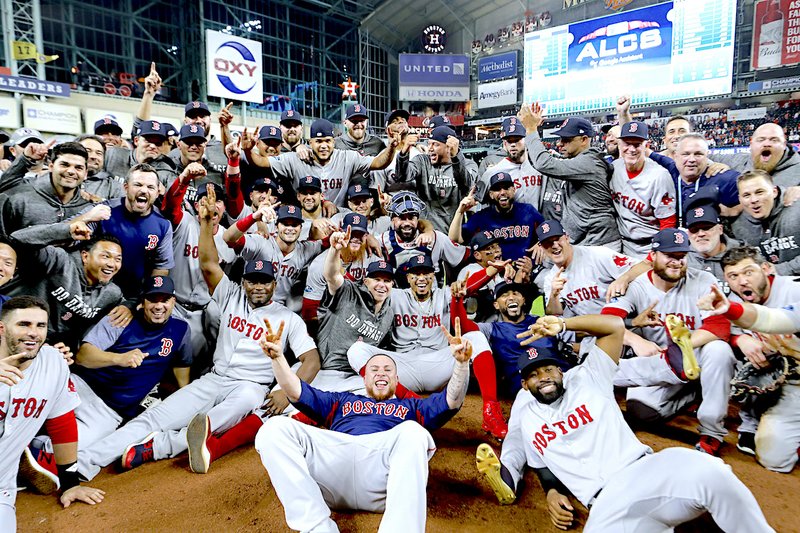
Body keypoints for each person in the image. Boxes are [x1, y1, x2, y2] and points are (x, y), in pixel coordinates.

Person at [75, 188, 319, 479]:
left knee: (208, 423)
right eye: (252, 280)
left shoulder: (287, 318)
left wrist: (285, 391)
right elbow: (208, 263)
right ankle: (82, 464)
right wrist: (205, 224)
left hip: (250, 387)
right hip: (214, 378)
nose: (258, 287)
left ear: (273, 284)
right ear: (243, 282)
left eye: (264, 282)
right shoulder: (231, 295)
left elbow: (312, 360)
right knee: (155, 416)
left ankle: (161, 446)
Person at [475, 313, 774, 532]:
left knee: (713, 473)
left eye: (549, 369)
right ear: (525, 385)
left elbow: (615, 327)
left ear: (561, 371)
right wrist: (553, 493)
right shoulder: (526, 416)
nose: (544, 378)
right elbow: (541, 464)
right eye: (535, 375)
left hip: (647, 470)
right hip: (607, 505)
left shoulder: (588, 377)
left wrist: (564, 323)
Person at [254, 314, 472, 533]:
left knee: (415, 432)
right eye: (374, 370)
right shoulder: (342, 400)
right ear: (364, 379)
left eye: (388, 370)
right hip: (334, 468)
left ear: (397, 381)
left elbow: (450, 401)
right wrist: (278, 359)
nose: (381, 373)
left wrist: (461, 366)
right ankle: (317, 528)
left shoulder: (412, 408)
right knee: (273, 430)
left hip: (382, 476)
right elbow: (296, 391)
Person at [601, 228, 736, 455]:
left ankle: (711, 432)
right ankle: (694, 394)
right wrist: (635, 340)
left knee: (719, 350)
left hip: (697, 356)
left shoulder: (704, 281)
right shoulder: (635, 287)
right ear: (653, 256)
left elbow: (720, 327)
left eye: (681, 256)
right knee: (642, 412)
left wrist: (681, 345)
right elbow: (606, 323)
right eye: (669, 255)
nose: (677, 262)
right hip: (658, 364)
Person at [347, 254, 506, 438]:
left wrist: (492, 270)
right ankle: (415, 404)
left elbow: (468, 285)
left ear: (433, 276)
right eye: (415, 274)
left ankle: (491, 411)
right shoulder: (395, 295)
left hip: (439, 363)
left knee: (476, 337)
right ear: (408, 278)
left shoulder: (445, 294)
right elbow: (367, 288)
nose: (421, 278)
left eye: (426, 273)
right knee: (356, 350)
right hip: (403, 368)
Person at [0, 296, 105, 531]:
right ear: (2, 328)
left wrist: (70, 483)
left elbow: (62, 422)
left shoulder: (53, 363)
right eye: (24, 324)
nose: (34, 333)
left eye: (41, 326)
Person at [71, 275, 191, 448]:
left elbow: (182, 366)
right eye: (152, 299)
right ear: (143, 301)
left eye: (165, 300)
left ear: (173, 301)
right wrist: (119, 358)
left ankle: (36, 449)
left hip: (110, 411)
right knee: (38, 408)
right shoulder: (122, 318)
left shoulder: (181, 329)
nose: (158, 306)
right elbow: (83, 356)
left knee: (71, 448)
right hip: (82, 386)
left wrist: (185, 400)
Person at [718, 246, 800, 471]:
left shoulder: (794, 291)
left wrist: (732, 311)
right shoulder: (735, 299)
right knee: (774, 459)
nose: (742, 281)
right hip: (794, 386)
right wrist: (740, 340)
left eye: (748, 272)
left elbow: (772, 318)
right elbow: (733, 328)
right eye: (733, 276)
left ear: (766, 268)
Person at [7, 224, 127, 351]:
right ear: (85, 256)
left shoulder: (112, 293)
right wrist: (66, 231)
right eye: (105, 256)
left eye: (118, 259)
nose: (112, 264)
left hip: (46, 348)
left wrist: (128, 306)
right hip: (11, 329)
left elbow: (137, 304)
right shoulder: (60, 261)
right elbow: (16, 239)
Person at [517, 102, 620, 248]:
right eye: (560, 139)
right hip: (587, 241)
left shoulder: (588, 162)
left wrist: (531, 129)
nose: (560, 144)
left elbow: (544, 163)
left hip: (601, 245)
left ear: (584, 140)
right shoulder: (580, 160)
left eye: (566, 140)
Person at [247, 118, 399, 206]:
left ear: (334, 141)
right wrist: (248, 151)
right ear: (310, 142)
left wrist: (392, 146)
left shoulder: (347, 157)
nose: (324, 145)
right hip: (306, 219)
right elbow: (260, 162)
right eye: (318, 141)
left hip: (337, 215)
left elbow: (379, 163)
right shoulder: (295, 159)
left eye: (327, 141)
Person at [223, 204, 326, 312]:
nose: (290, 229)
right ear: (277, 226)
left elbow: (330, 243)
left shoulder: (306, 249)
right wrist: (253, 218)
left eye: (294, 225)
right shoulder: (261, 242)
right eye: (285, 224)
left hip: (279, 313)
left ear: (301, 228)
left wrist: (319, 226)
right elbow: (228, 238)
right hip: (249, 308)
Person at [536, 219, 648, 317]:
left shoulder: (597, 255)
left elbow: (645, 266)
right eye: (548, 243)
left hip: (623, 320)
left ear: (567, 238)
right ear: (541, 248)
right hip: (592, 330)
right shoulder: (551, 279)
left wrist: (624, 278)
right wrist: (554, 295)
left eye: (557, 239)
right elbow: (554, 315)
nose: (555, 245)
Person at [609, 121, 677, 257]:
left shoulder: (659, 176)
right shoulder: (614, 168)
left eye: (637, 144)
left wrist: (658, 253)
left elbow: (668, 222)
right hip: (621, 243)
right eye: (627, 144)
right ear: (620, 144)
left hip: (649, 245)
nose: (632, 149)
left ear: (646, 145)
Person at [0, 141, 93, 238]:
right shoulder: (24, 192)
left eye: (78, 168)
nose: (71, 171)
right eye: (64, 165)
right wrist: (25, 159)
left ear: (85, 174)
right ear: (51, 167)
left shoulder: (88, 207)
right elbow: (4, 186)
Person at [475, 117, 561, 220]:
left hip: (540, 225)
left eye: (517, 140)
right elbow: (479, 198)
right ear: (504, 143)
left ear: (526, 139)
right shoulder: (493, 172)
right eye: (509, 141)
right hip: (511, 228)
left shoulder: (540, 164)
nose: (513, 145)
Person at [395, 125, 474, 233]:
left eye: (435, 144)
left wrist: (455, 157)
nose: (430, 148)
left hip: (453, 231)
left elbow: (466, 184)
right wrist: (404, 153)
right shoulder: (422, 161)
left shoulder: (468, 164)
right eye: (429, 144)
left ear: (449, 147)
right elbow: (403, 177)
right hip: (425, 231)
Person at [450, 171, 543, 261]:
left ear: (514, 190)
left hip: (526, 269)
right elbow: (455, 239)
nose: (502, 192)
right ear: (491, 194)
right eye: (497, 189)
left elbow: (549, 231)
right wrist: (459, 212)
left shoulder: (528, 211)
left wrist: (541, 243)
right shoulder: (482, 217)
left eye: (506, 188)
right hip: (496, 272)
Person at [732, 169, 800, 275]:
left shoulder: (796, 209)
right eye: (746, 195)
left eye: (759, 192)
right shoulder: (737, 226)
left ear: (774, 192)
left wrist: (781, 269)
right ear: (740, 199)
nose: (753, 200)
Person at [685, 202, 741, 294]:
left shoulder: (742, 253)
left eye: (707, 228)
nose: (701, 234)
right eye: (694, 230)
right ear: (688, 234)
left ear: (720, 229)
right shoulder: (681, 259)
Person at [104, 120, 178, 187]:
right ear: (136, 141)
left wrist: (163, 194)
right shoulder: (113, 155)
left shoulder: (166, 171)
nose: (152, 146)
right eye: (148, 141)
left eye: (158, 143)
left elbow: (178, 200)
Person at [76, 134, 124, 200]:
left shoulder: (114, 187)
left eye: (99, 153)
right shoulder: (62, 179)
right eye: (88, 151)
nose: (93, 156)